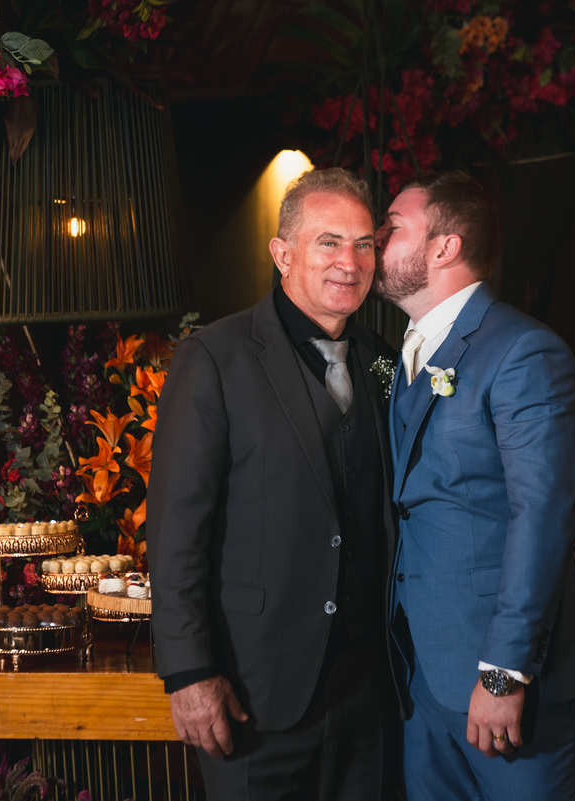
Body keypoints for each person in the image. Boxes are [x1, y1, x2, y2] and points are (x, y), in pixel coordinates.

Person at [148, 168, 398, 800]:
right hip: (253, 689)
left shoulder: (383, 359)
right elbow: (176, 531)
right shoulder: (215, 357)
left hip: (368, 691)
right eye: (328, 242)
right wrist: (188, 672)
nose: (349, 262)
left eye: (363, 244)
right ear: (282, 254)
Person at [374, 170, 575, 800]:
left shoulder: (522, 350)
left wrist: (504, 672)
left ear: (444, 247)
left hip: (505, 682)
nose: (376, 239)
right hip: (423, 678)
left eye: (392, 227)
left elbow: (543, 516)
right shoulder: (409, 351)